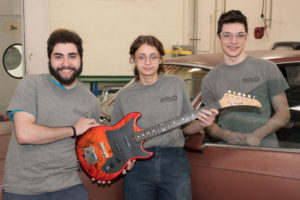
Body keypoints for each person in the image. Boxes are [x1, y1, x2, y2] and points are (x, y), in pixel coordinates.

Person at [110, 35, 218, 200]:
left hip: (173, 162)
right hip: (138, 167)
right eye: (142, 56)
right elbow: (114, 136)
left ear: (161, 59)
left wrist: (202, 124)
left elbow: (187, 127)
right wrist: (125, 158)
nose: (148, 62)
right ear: (133, 59)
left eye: (153, 56)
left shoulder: (176, 85)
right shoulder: (124, 96)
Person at [3, 29, 100, 200]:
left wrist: (108, 168)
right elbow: (24, 134)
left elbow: (91, 149)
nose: (66, 63)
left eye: (72, 56)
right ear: (49, 59)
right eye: (58, 56)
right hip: (25, 189)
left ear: (81, 59)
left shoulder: (91, 102)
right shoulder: (31, 85)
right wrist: (72, 130)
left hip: (69, 186)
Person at [201, 10, 290, 147]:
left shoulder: (268, 69)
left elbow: (284, 113)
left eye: (239, 35)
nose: (234, 41)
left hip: (265, 151)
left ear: (246, 37)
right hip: (225, 152)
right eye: (227, 35)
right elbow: (209, 124)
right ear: (219, 38)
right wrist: (226, 135)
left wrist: (257, 136)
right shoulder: (210, 79)